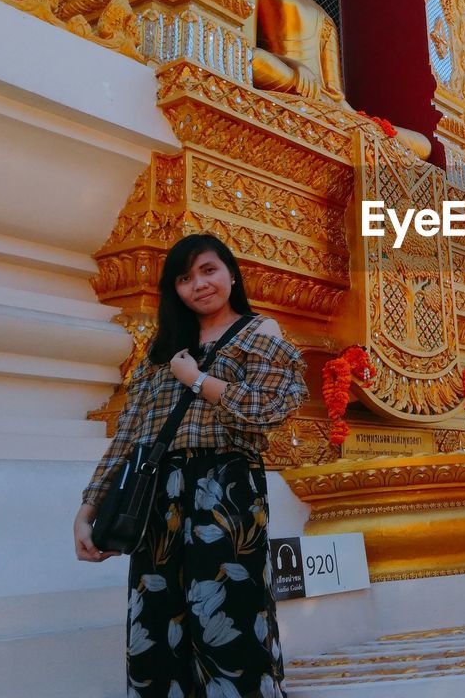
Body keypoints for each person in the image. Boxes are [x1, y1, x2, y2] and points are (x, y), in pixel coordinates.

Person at [74, 234, 306, 697]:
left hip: (226, 487)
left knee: (229, 613)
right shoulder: (161, 352)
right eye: (184, 278)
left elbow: (267, 410)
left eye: (208, 270)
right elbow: (129, 433)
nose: (199, 285)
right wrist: (88, 508)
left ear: (231, 274)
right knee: (157, 615)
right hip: (157, 491)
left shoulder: (260, 332)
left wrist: (198, 379)